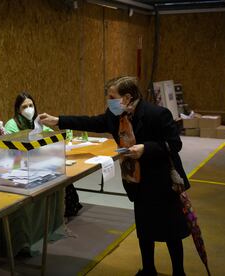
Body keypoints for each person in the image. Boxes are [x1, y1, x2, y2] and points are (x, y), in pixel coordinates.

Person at [40, 76, 190, 276]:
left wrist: (146, 148)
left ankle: (179, 272)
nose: (108, 101)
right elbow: (92, 122)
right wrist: (59, 120)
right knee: (144, 229)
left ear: (127, 98)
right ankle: (148, 269)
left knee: (171, 231)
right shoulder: (115, 116)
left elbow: (174, 144)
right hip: (137, 181)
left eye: (112, 96)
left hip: (162, 182)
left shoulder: (157, 114)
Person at [6, 92, 83, 218]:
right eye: (24, 107)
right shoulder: (12, 124)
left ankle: (63, 210)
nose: (29, 109)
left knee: (62, 176)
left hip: (40, 162)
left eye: (31, 105)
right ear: (18, 110)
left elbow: (51, 136)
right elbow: (13, 150)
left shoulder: (36, 122)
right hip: (21, 165)